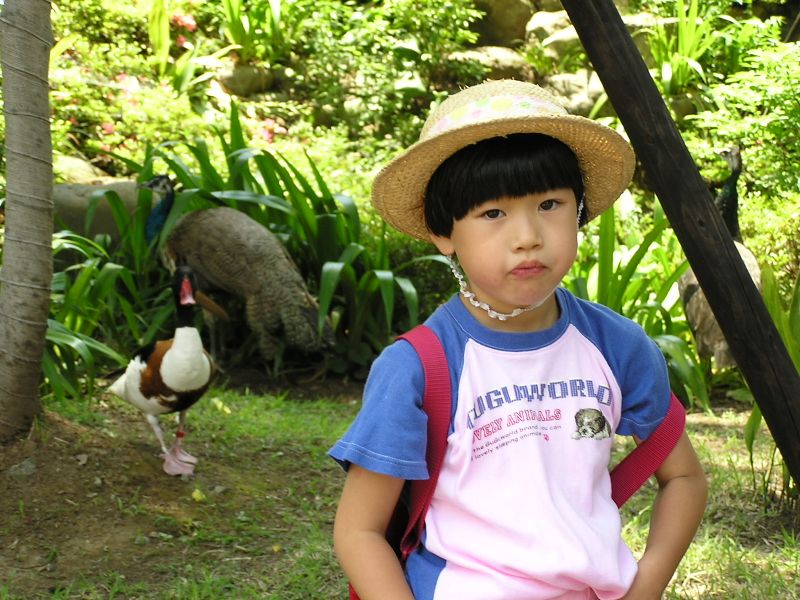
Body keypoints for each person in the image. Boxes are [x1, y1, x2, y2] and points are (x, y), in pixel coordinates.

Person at [329, 79, 707, 600]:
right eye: (493, 213)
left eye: (550, 204)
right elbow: (360, 531)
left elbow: (684, 477)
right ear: (443, 233)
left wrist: (644, 589)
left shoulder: (616, 345)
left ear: (579, 211)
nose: (528, 236)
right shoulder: (418, 367)